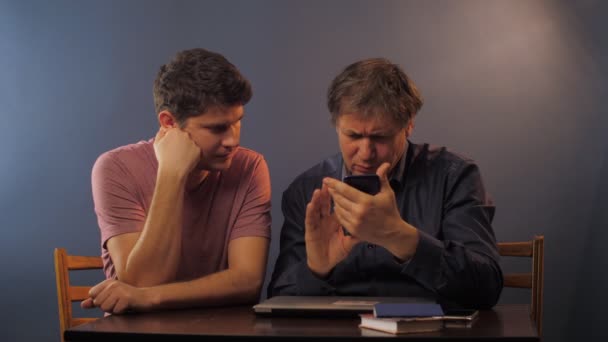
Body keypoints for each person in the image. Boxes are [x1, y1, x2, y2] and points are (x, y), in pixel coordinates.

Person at [267, 58, 502, 309]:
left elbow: (485, 287)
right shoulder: (306, 190)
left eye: (380, 137)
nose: (366, 152)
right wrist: (317, 269)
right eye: (353, 135)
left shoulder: (454, 176)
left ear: (408, 125)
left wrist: (400, 236)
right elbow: (279, 298)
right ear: (337, 125)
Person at [82, 48, 271, 314]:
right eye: (216, 128)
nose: (233, 141)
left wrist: (148, 297)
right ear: (169, 123)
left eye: (237, 122)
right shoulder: (115, 168)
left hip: (218, 331)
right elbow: (140, 281)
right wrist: (171, 174)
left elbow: (247, 281)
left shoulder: (250, 167)